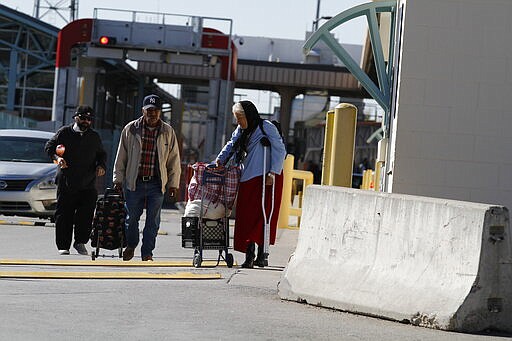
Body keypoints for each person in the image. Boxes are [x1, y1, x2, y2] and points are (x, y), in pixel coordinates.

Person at [216, 100, 286, 268]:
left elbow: (280, 149)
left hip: (267, 177)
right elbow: (231, 144)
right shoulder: (241, 130)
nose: (239, 121)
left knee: (264, 216)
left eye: (240, 117)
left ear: (249, 114)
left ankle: (262, 255)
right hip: (249, 176)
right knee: (247, 217)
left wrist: (273, 173)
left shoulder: (266, 126)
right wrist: (220, 158)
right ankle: (249, 256)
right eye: (237, 117)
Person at [113, 94, 181, 261]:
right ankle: (131, 245)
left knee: (153, 222)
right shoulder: (131, 129)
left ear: (160, 112)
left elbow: (174, 160)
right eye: (149, 110)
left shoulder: (167, 131)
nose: (152, 114)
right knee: (131, 219)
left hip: (156, 184)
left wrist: (173, 184)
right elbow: (121, 156)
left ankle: (147, 253)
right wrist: (118, 180)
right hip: (134, 182)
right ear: (143, 111)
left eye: (156, 111)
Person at [45, 105, 107, 256]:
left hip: (88, 183)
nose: (86, 121)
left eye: (89, 119)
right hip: (67, 182)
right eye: (83, 118)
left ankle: (80, 242)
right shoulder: (64, 133)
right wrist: (58, 158)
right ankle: (63, 245)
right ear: (76, 117)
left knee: (85, 215)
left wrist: (101, 166)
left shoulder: (94, 136)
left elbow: (101, 155)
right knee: (64, 215)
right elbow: (49, 148)